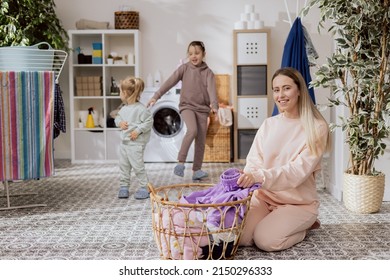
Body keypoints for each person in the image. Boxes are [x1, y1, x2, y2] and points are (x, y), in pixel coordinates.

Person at [237, 67, 331, 252]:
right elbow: (254, 160)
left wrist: (259, 177)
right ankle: (274, 221)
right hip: (265, 197)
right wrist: (248, 177)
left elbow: (297, 172)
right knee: (241, 237)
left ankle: (304, 227)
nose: (280, 95)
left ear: (299, 91)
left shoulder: (317, 127)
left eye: (286, 88)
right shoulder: (269, 124)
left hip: (298, 204)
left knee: (265, 240)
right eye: (276, 89)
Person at [147, 41, 219, 180]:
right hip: (187, 106)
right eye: (191, 53)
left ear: (204, 54)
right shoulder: (184, 68)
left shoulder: (208, 73)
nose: (193, 56)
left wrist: (214, 106)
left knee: (201, 140)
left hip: (203, 109)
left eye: (197, 53)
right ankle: (180, 163)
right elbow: (169, 82)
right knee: (192, 130)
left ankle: (197, 170)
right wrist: (156, 96)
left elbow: (212, 90)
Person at [115, 77, 153, 199]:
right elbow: (117, 118)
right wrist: (120, 123)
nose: (120, 94)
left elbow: (148, 121)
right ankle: (124, 186)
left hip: (136, 144)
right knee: (124, 166)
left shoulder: (141, 109)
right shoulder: (124, 108)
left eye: (120, 92)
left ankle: (144, 187)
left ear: (125, 93)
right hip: (124, 144)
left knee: (138, 167)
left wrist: (138, 130)